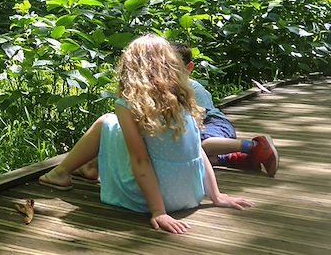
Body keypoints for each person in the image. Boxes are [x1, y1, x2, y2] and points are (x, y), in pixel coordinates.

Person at [39, 34, 253, 234]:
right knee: (130, 132)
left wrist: (159, 211)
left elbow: (140, 160)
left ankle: (61, 173)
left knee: (106, 122)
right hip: (191, 194)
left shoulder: (126, 104)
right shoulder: (183, 95)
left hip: (152, 200)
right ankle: (88, 167)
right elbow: (197, 149)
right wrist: (216, 196)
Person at [171, 43, 279, 177]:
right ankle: (237, 158)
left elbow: (200, 115)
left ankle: (254, 146)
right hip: (195, 131)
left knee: (200, 147)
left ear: (189, 68)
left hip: (214, 124)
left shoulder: (193, 88)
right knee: (188, 160)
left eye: (174, 67)